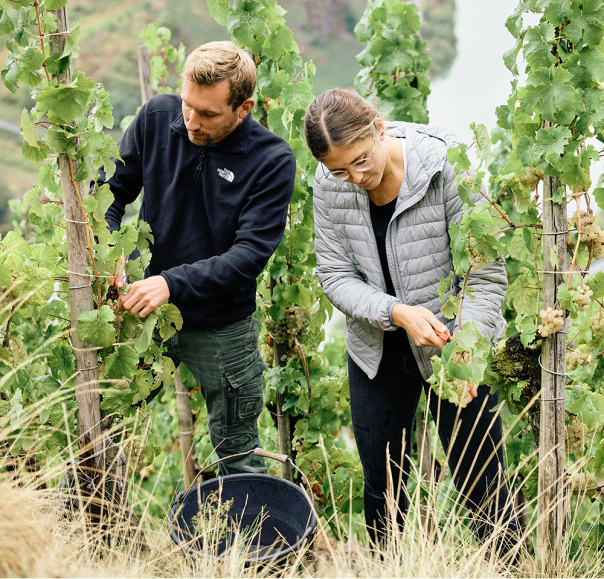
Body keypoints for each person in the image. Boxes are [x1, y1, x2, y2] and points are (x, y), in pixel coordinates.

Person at [304, 88, 519, 552]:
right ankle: (390, 565)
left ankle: (511, 566)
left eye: (361, 161)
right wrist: (396, 312)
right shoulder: (328, 184)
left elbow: (485, 276)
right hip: (376, 350)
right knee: (383, 488)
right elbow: (336, 276)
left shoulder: (446, 167)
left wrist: (467, 350)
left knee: (481, 484)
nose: (354, 178)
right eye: (339, 170)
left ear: (380, 129)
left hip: (454, 347)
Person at [96, 41, 296, 475]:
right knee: (101, 429)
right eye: (188, 106)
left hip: (223, 326)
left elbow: (248, 256)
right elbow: (107, 196)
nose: (191, 121)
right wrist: (114, 253)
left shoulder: (272, 160)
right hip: (143, 310)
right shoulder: (155, 116)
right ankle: (87, 535)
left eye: (208, 114)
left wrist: (170, 282)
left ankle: (244, 542)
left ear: (243, 108)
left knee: (238, 458)